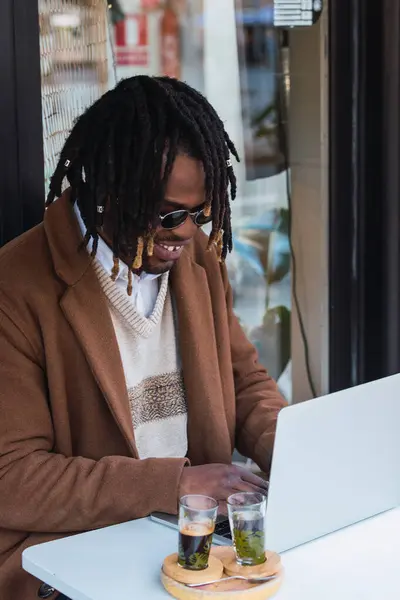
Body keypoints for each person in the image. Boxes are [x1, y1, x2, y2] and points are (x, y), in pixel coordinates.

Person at [0, 76, 286, 599]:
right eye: (167, 214)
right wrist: (171, 484)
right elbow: (12, 477)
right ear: (109, 187)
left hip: (191, 541)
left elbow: (245, 384)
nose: (184, 232)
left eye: (199, 213)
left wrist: (288, 449)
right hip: (75, 552)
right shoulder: (17, 287)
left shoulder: (197, 259)